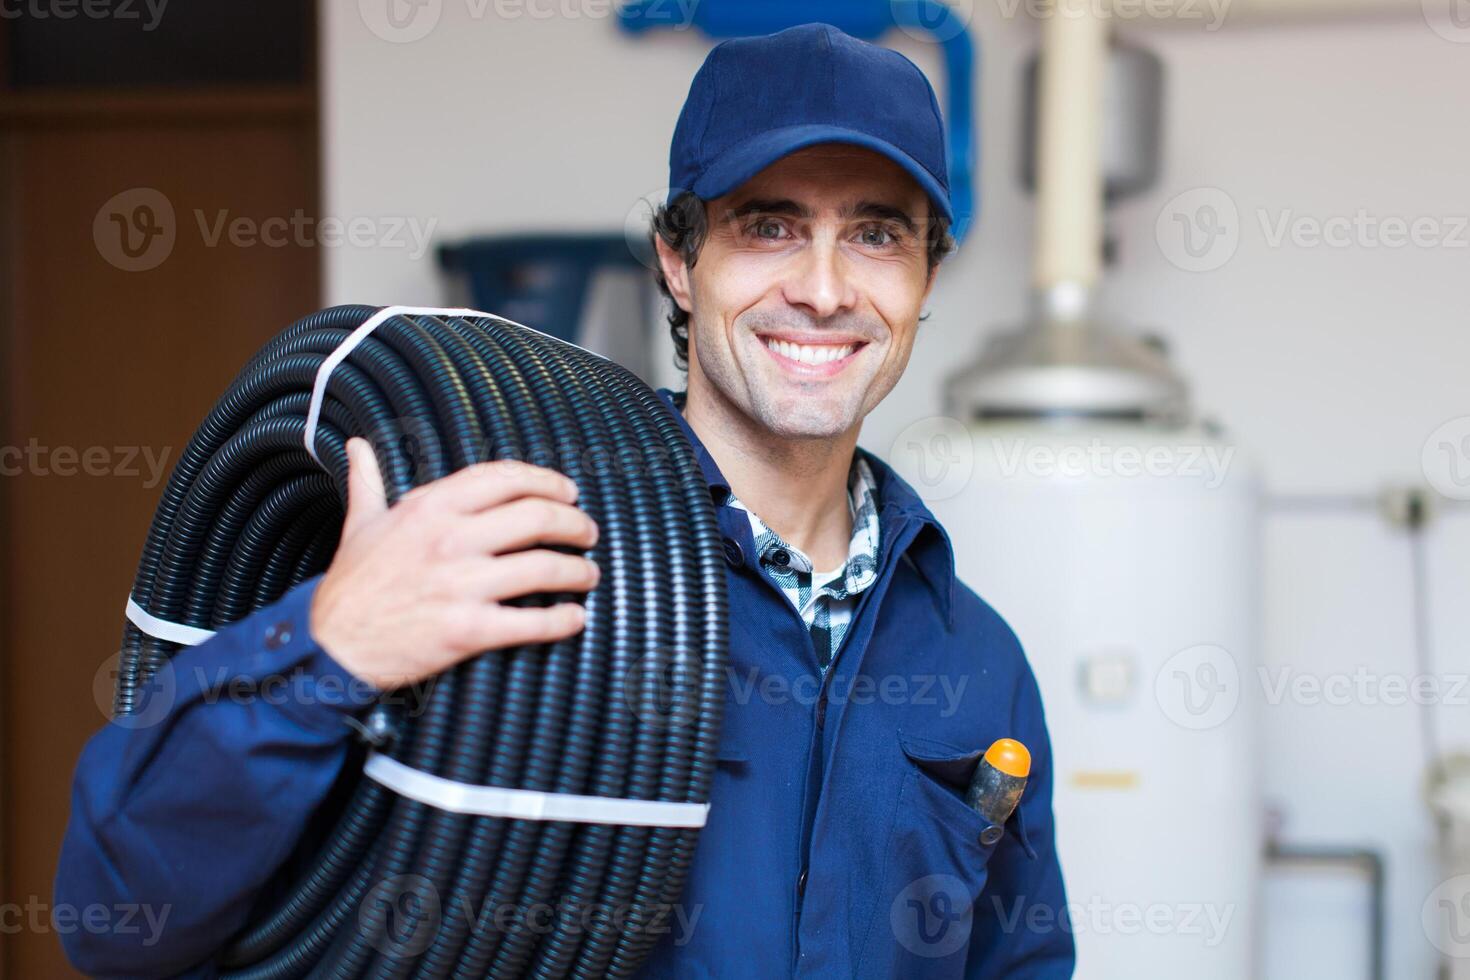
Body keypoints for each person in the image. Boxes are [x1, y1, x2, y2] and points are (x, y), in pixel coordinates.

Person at [57, 22, 1073, 978]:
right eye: (769, 226)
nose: (822, 286)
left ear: (925, 274)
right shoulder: (492, 547)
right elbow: (119, 907)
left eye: (876, 234)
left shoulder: (974, 659)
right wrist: (332, 648)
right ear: (678, 262)